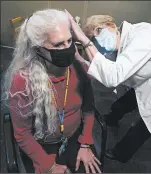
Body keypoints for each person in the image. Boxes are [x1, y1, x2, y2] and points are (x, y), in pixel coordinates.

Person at [3, 9, 102, 173]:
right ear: (38, 48)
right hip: (41, 145)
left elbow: (89, 108)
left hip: (75, 138)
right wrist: (48, 164)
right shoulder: (23, 81)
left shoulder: (79, 68)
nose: (68, 48)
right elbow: (22, 134)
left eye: (70, 41)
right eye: (58, 44)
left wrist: (85, 143)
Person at [65, 11, 151, 164]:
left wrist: (84, 39)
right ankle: (112, 118)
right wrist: (80, 60)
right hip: (145, 83)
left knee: (142, 126)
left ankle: (120, 154)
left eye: (98, 31)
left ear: (112, 26)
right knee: (123, 104)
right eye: (93, 38)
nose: (97, 39)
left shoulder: (143, 34)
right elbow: (102, 69)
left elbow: (112, 76)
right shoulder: (117, 49)